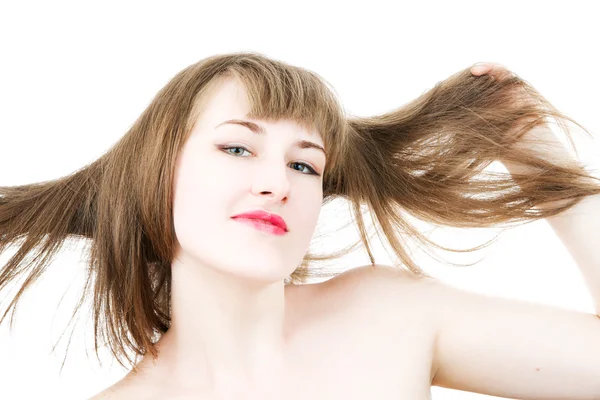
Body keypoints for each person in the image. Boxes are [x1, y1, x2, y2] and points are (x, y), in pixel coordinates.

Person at [1, 52, 600, 399]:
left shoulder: (386, 315)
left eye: (303, 164)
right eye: (237, 149)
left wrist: (533, 151)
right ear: (157, 175)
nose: (278, 183)